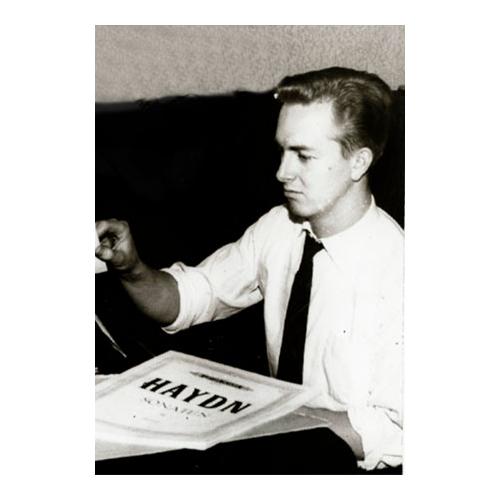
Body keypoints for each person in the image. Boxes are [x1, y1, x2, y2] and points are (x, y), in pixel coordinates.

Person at [95, 67, 403, 471]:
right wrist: (131, 268)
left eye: (304, 156)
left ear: (358, 162)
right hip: (273, 446)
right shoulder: (281, 226)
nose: (282, 172)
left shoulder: (399, 271)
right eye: (282, 151)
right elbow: (195, 296)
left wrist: (269, 424)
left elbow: (397, 429)